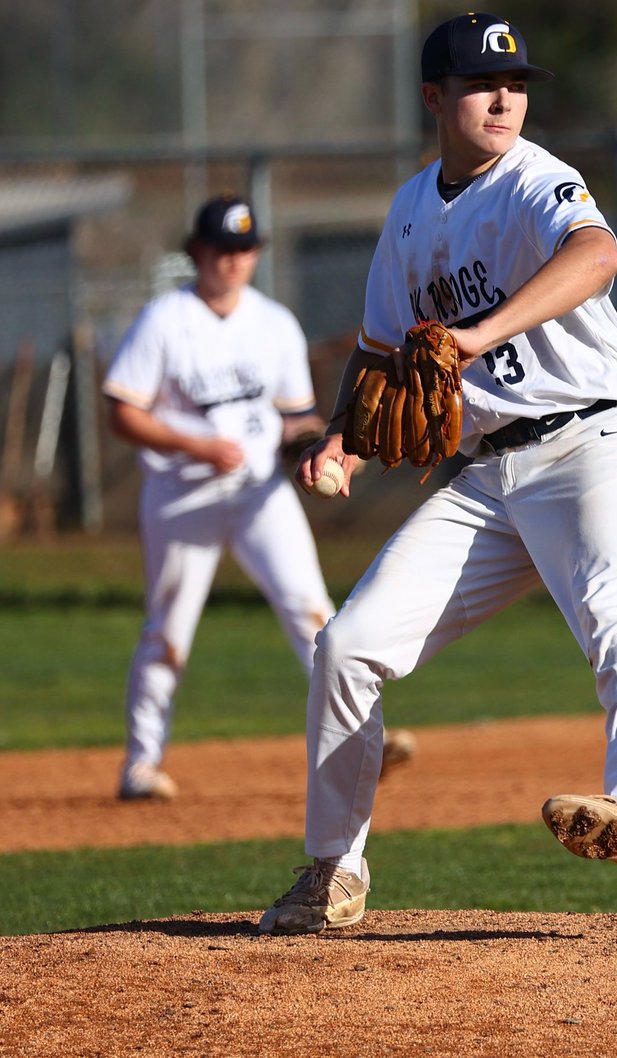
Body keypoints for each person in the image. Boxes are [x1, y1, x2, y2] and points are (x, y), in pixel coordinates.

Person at [259, 13, 617, 936]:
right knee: (346, 648)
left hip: (598, 447)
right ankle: (334, 869)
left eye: (517, 82)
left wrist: (476, 336)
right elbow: (380, 351)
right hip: (490, 479)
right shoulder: (413, 209)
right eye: (480, 84)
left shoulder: (538, 179)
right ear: (434, 99)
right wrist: (341, 439)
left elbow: (598, 254)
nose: (504, 98)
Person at [102, 193, 414, 801]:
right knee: (169, 630)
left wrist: (316, 444)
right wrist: (197, 447)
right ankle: (141, 765)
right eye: (222, 249)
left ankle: (362, 746)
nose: (233, 260)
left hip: (257, 494)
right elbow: (122, 413)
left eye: (245, 249)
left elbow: (295, 417)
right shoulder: (165, 319)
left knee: (313, 611)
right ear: (197, 252)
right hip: (179, 497)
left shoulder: (274, 324)